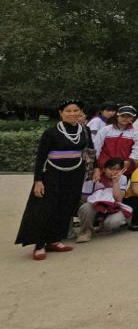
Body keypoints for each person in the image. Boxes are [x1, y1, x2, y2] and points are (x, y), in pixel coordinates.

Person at [15, 100, 94, 259]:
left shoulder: (85, 130)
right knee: (46, 208)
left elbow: (90, 151)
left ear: (81, 112)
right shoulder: (51, 132)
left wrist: (95, 168)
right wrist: (38, 180)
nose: (72, 114)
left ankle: (54, 240)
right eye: (68, 111)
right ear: (61, 113)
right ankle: (39, 244)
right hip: (52, 174)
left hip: (75, 174)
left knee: (65, 206)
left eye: (75, 110)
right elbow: (40, 157)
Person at [75, 157, 131, 242]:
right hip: (95, 206)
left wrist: (115, 182)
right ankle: (86, 232)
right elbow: (84, 198)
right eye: (111, 169)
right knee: (85, 207)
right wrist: (97, 196)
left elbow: (119, 199)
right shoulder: (94, 177)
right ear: (104, 169)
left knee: (114, 222)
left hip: (113, 207)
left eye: (118, 169)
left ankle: (103, 226)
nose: (115, 172)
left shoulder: (122, 178)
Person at [94, 105, 138, 178]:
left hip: (124, 167)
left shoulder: (136, 131)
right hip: (105, 165)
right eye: (122, 116)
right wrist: (95, 165)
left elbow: (137, 148)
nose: (125, 118)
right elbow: (96, 147)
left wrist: (129, 161)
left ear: (132, 118)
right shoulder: (105, 130)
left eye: (129, 116)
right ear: (117, 116)